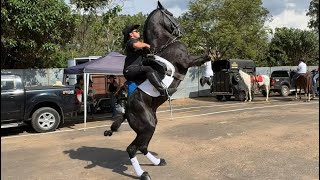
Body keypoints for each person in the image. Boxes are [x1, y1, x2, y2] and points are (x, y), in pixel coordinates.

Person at [122, 24, 176, 97]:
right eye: (136, 31)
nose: (138, 32)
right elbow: (136, 45)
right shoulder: (130, 41)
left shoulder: (138, 44)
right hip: (130, 70)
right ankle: (163, 91)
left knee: (152, 70)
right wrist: (147, 45)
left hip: (136, 70)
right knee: (148, 69)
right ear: (131, 34)